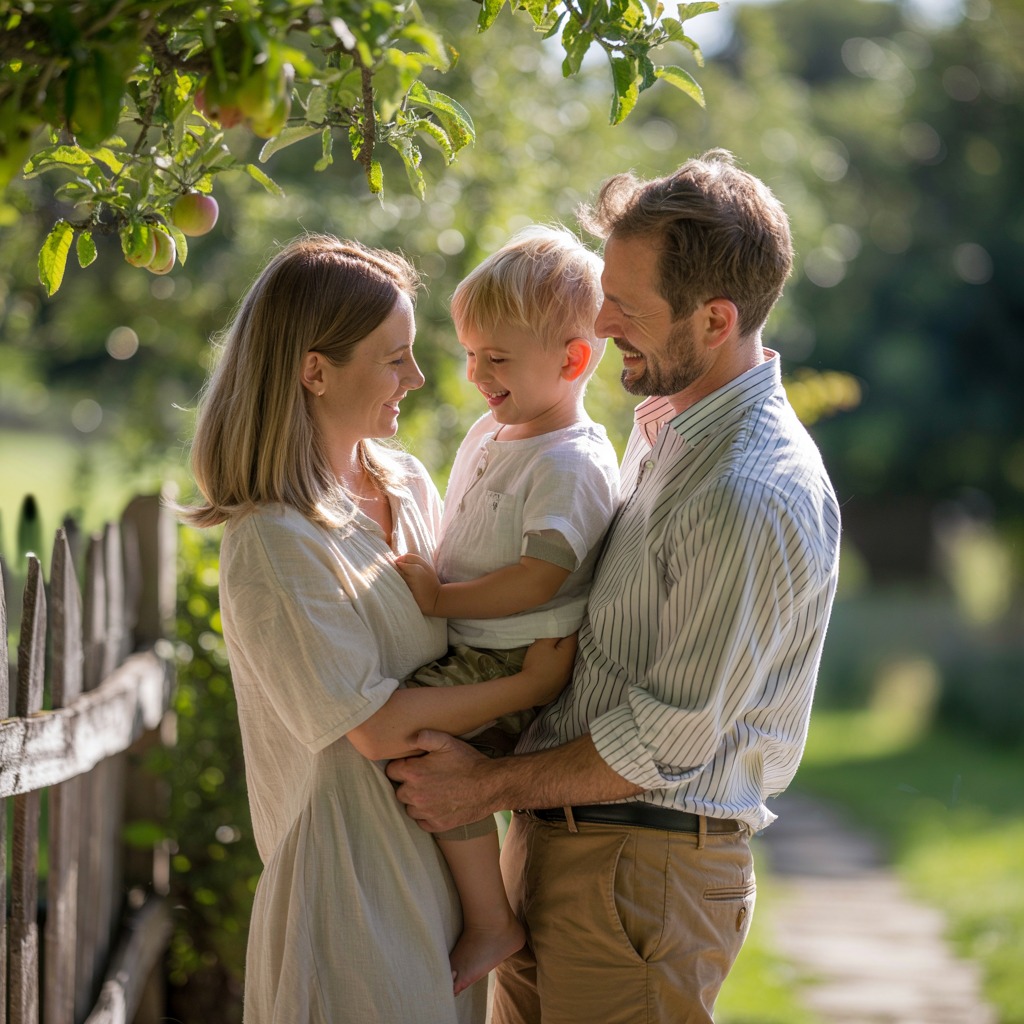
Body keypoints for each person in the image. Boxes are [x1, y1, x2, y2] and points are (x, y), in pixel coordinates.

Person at [386, 150, 843, 1024]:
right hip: (569, 845)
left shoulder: (746, 488)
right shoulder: (669, 431)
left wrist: (485, 788)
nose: (599, 323)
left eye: (627, 307)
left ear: (715, 320)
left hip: (641, 873)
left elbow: (670, 735)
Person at [182, 234, 576, 1024]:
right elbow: (375, 726)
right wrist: (532, 684)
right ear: (315, 371)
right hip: (351, 892)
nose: (419, 378)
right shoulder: (272, 538)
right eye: (394, 359)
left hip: (445, 871)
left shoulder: (406, 483)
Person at [393, 226, 621, 996]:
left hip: (513, 655)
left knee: (421, 749)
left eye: (496, 358)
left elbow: (535, 581)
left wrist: (438, 598)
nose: (474, 374)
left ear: (572, 361)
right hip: (475, 637)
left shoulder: (570, 462)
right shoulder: (500, 427)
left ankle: (491, 920)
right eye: (469, 353)